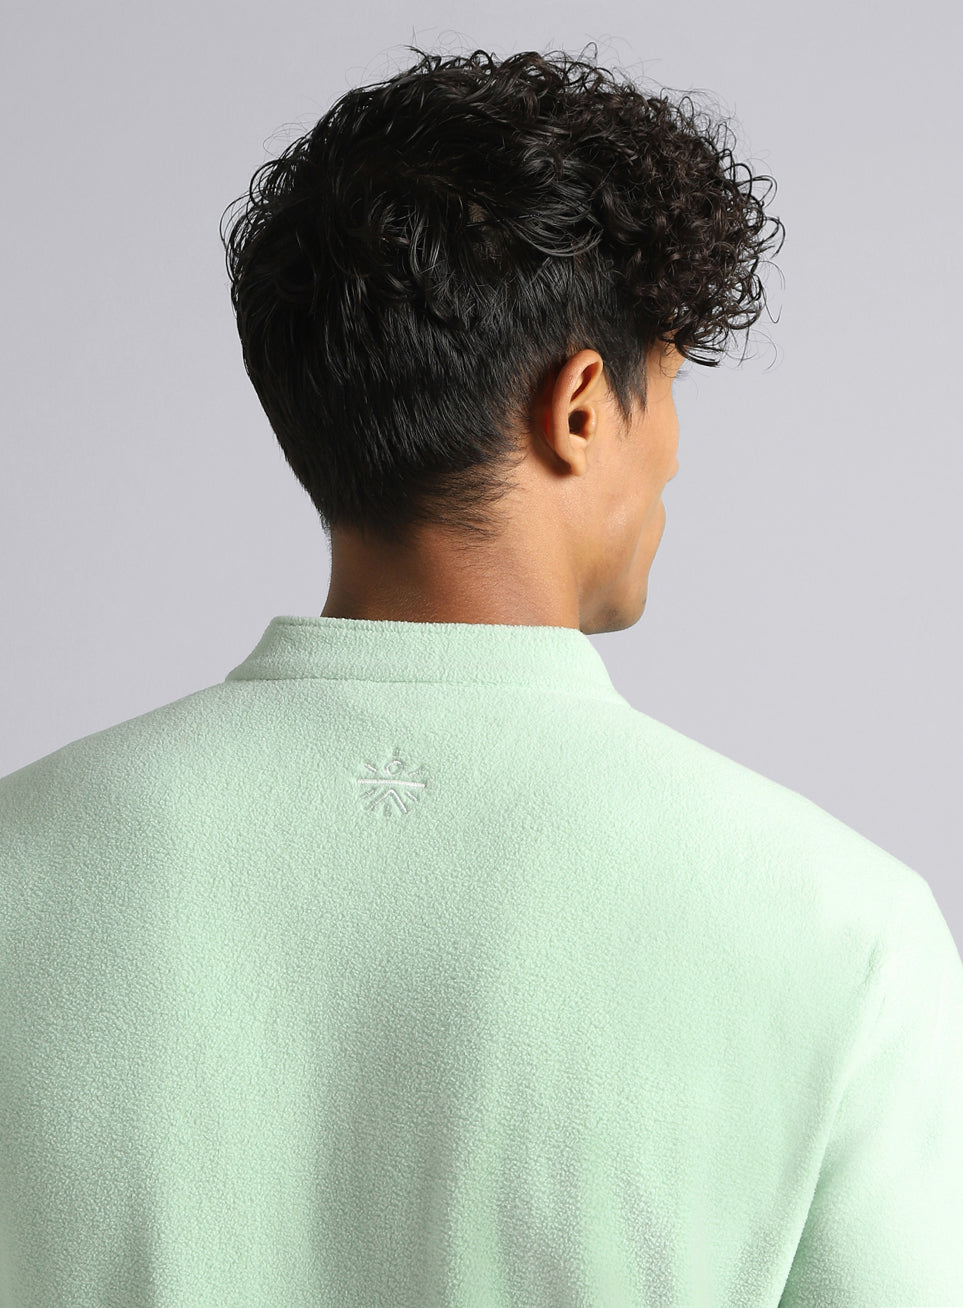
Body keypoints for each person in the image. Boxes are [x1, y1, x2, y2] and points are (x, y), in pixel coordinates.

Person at [1, 43, 961, 1307]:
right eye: (669, 390)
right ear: (581, 406)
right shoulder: (845, 933)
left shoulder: (19, 863)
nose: (675, 459)